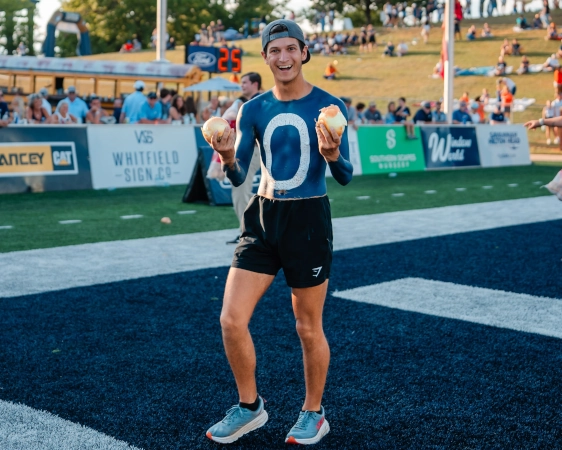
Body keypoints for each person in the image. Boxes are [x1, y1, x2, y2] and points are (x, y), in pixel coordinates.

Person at [203, 19, 352, 446]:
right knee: (231, 320)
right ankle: (251, 408)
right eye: (275, 50)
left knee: (307, 327)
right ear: (265, 57)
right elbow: (235, 177)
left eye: (291, 49)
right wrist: (228, 156)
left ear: (304, 52)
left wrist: (333, 154)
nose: (283, 57)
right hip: (262, 218)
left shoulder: (329, 105)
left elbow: (345, 176)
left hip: (308, 221)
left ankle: (313, 413)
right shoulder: (253, 108)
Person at [226, 72, 263, 245]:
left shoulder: (258, 102)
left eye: (245, 82)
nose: (242, 85)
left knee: (240, 188)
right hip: (256, 150)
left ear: (255, 84)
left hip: (255, 150)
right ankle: (252, 229)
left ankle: (248, 232)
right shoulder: (251, 102)